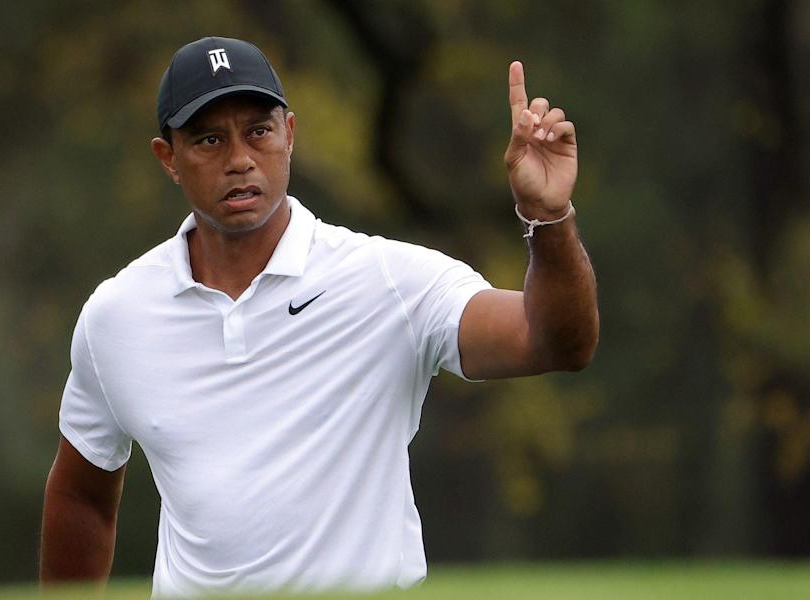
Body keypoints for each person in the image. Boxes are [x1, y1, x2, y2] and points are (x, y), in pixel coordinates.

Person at [40, 36, 598, 598]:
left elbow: (552, 343)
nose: (239, 159)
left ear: (289, 134)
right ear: (169, 159)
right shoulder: (117, 315)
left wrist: (548, 219)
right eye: (209, 139)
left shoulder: (387, 281)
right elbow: (82, 495)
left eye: (258, 131)